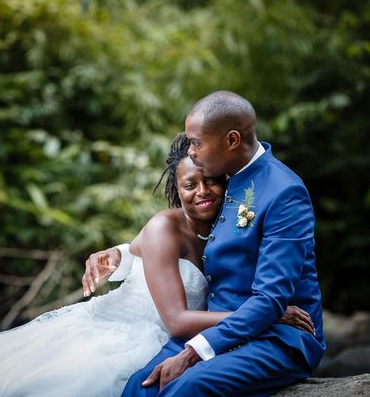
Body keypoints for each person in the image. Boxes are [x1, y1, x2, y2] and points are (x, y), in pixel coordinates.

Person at [0, 132, 312, 397]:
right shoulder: (163, 227)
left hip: (172, 334)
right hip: (130, 332)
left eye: (213, 181)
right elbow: (172, 303)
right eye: (190, 185)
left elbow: (140, 251)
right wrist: (266, 315)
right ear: (176, 189)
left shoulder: (232, 216)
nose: (203, 192)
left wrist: (118, 255)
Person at [119, 91, 326, 397]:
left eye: (196, 142)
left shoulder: (284, 192)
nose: (190, 151)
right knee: (141, 384)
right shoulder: (222, 179)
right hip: (220, 329)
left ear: (231, 140)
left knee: (187, 387)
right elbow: (185, 230)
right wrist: (119, 252)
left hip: (280, 337)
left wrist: (193, 352)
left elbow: (270, 301)